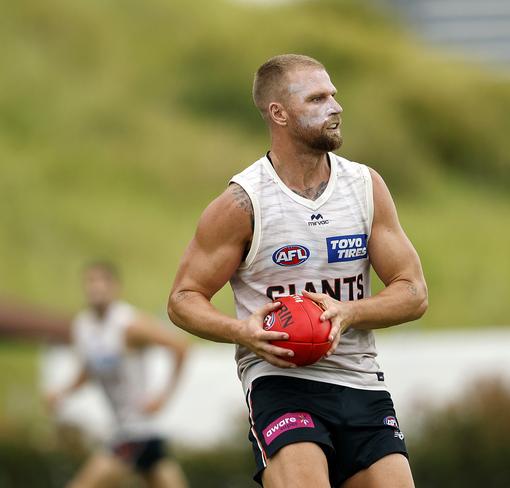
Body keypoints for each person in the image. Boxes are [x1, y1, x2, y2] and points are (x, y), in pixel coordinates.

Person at [168, 54, 428, 488]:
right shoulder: (241, 203)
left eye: (334, 95)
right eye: (317, 98)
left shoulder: (366, 187)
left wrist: (348, 313)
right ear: (279, 114)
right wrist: (243, 331)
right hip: (280, 384)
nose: (335, 106)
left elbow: (414, 292)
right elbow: (182, 299)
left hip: (360, 381)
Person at [47, 261, 189, 488]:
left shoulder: (129, 324)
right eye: (91, 281)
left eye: (103, 281)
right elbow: (89, 370)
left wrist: (163, 396)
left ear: (115, 287)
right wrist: (63, 392)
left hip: (136, 432)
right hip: (128, 429)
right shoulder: (83, 327)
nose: (97, 287)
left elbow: (181, 347)